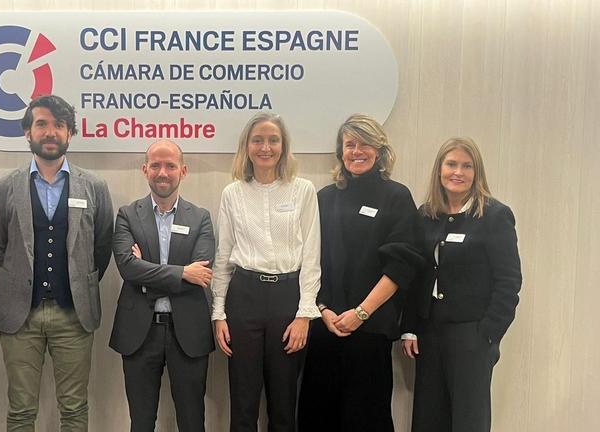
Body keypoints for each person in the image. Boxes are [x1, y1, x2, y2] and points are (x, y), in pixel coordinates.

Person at [0, 94, 114, 431]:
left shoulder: (94, 187)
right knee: (20, 409)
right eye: (41, 124)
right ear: (28, 132)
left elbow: (101, 248)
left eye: (59, 125)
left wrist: (76, 283)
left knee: (74, 408)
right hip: (20, 315)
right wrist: (20, 280)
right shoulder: (3, 187)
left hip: (74, 315)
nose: (50, 132)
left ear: (70, 133)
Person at [297, 114, 423, 431]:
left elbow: (401, 266)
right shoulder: (324, 198)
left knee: (366, 418)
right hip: (325, 327)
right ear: (340, 152)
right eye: (350, 144)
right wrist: (323, 309)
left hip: (370, 330)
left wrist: (361, 313)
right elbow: (310, 260)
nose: (357, 151)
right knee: (318, 416)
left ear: (379, 150)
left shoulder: (396, 197)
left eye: (365, 144)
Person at [401, 137, 522, 432]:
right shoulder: (426, 214)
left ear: (476, 172)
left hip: (472, 335)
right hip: (429, 334)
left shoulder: (494, 216)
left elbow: (508, 281)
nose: (458, 172)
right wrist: (411, 327)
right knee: (429, 419)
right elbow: (417, 275)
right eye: (451, 164)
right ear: (439, 170)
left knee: (469, 420)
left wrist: (489, 334)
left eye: (467, 166)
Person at [211, 112, 321, 432]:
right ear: (246, 146)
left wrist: (304, 314)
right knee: (243, 403)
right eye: (257, 140)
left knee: (283, 404)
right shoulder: (232, 193)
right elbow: (223, 258)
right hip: (244, 297)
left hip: (287, 299)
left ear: (283, 146)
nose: (265, 147)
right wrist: (218, 314)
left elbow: (312, 256)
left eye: (273, 140)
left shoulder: (303, 190)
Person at [110, 139, 216, 432]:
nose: (162, 172)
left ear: (183, 171)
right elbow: (127, 268)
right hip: (139, 333)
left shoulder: (201, 218)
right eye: (155, 165)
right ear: (145, 170)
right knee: (141, 422)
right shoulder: (127, 215)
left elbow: (201, 275)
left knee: (192, 421)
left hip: (188, 332)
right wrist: (183, 273)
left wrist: (146, 276)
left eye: (170, 165)